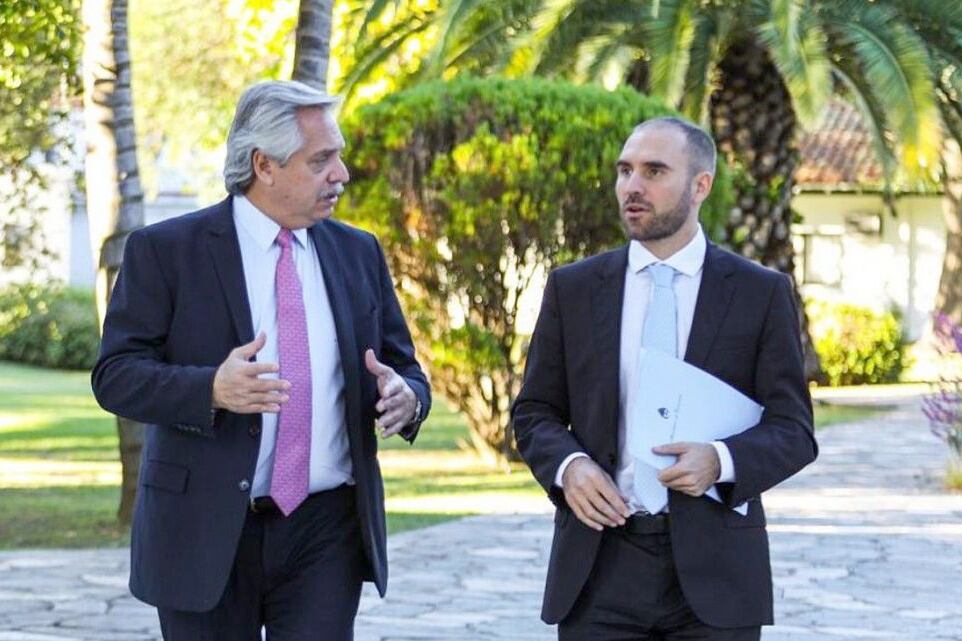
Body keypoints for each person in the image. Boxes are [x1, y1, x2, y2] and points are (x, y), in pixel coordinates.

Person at [91, 80, 431, 641]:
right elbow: (115, 376)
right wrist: (211, 390)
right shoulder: (167, 251)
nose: (341, 174)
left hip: (326, 530)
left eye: (338, 156)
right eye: (321, 160)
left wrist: (407, 396)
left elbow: (404, 366)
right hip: (203, 529)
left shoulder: (358, 251)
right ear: (263, 165)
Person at [512, 116, 817, 640]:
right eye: (624, 170)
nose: (632, 186)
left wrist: (720, 461)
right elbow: (534, 412)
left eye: (654, 171)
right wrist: (570, 467)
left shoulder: (759, 292)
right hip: (598, 566)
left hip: (716, 573)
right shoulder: (574, 289)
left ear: (702, 185)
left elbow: (793, 430)